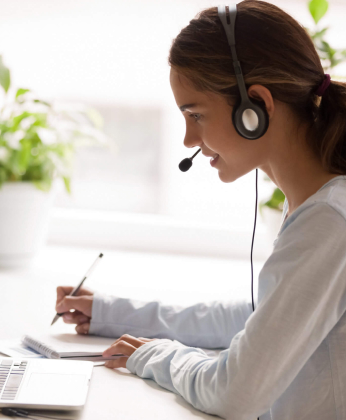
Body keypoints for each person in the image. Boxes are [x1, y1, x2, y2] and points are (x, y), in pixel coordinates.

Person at [55, 1, 346, 419]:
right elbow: (261, 317)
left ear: (256, 107)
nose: (189, 139)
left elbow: (235, 394)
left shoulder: (329, 221)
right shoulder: (318, 204)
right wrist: (115, 313)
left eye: (196, 114)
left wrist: (159, 357)